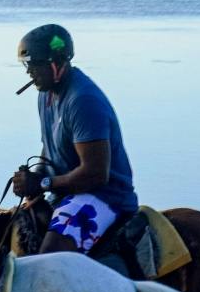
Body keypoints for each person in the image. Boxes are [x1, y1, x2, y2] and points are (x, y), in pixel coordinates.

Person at [10, 24, 138, 254]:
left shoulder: (83, 101)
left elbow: (95, 174)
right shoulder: (45, 95)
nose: (29, 72)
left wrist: (44, 184)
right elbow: (49, 149)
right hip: (67, 192)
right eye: (26, 66)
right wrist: (34, 175)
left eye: (35, 65)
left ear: (56, 63)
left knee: (49, 259)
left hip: (103, 196)